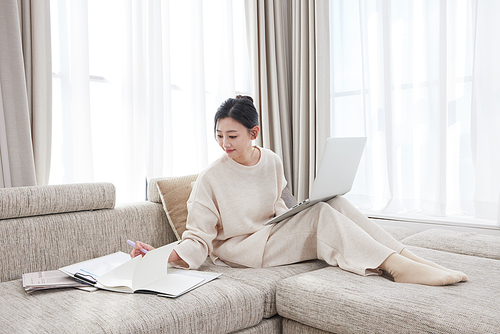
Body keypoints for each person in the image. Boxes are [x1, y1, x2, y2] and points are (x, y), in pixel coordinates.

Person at [132, 95, 467, 286]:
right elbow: (198, 239)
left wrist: (294, 213)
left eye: (232, 136)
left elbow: (277, 202)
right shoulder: (210, 179)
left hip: (271, 233)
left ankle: (406, 256)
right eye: (219, 135)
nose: (224, 143)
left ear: (254, 133)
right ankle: (394, 267)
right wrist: (161, 256)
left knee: (332, 201)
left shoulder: (271, 160)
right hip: (242, 251)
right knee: (320, 214)